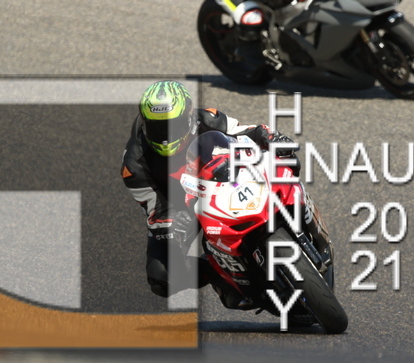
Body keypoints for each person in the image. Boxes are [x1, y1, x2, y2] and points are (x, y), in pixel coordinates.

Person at [121, 80, 298, 309]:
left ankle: (295, 211)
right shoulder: (133, 166)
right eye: (158, 127)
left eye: (173, 125)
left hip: (223, 178)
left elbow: (247, 131)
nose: (166, 136)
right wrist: (171, 222)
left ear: (187, 115)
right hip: (181, 207)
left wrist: (271, 137)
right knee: (160, 276)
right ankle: (220, 275)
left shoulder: (207, 118)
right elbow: (156, 209)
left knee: (285, 161)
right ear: (145, 123)